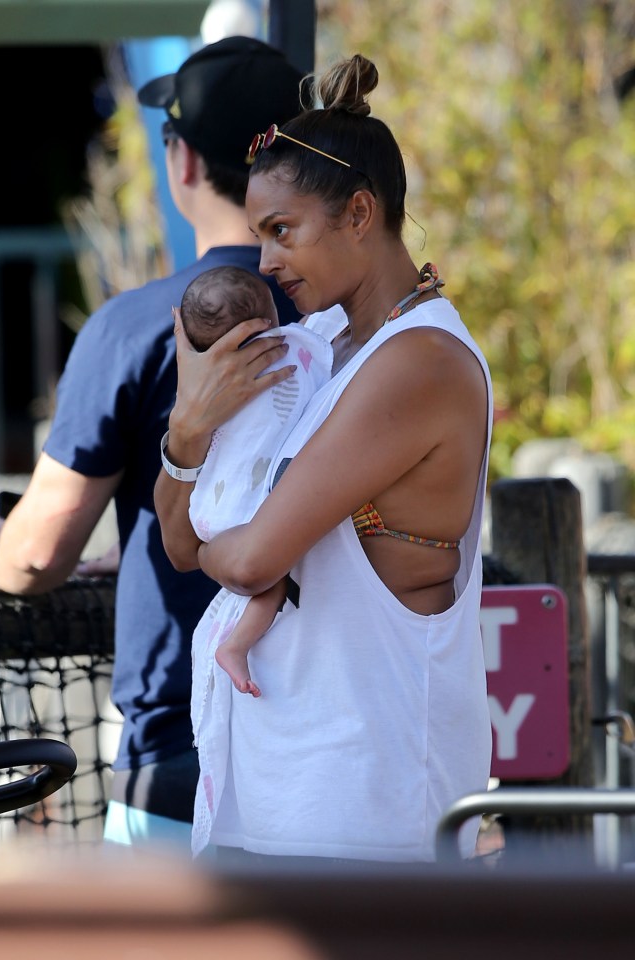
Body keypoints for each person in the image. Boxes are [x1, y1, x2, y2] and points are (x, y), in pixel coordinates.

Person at [155, 52, 493, 868]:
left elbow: (248, 557)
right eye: (258, 235)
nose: (264, 262)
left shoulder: (421, 362)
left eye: (282, 231)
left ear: (359, 214)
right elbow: (181, 544)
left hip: (365, 812)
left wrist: (220, 540)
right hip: (271, 785)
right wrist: (188, 430)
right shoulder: (312, 349)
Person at [0, 36, 304, 851]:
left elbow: (32, 557)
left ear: (184, 162)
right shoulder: (354, 324)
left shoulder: (135, 328)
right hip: (333, 747)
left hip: (182, 750)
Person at [177, 264, 332, 698]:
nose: (267, 259)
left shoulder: (209, 382)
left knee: (268, 566)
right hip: (252, 509)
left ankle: (235, 644)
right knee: (274, 571)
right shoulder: (297, 350)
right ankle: (238, 643)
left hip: (210, 505)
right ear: (268, 319)